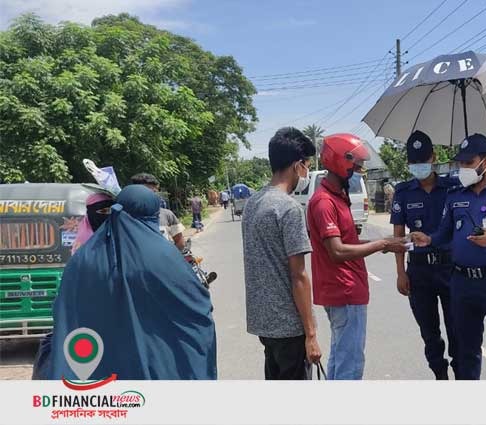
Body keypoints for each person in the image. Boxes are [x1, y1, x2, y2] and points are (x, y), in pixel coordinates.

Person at [43, 185, 216, 379]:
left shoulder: (83, 257)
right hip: (159, 365)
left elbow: (64, 308)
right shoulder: (165, 256)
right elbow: (196, 306)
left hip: (102, 367)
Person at [411, 134, 486, 380]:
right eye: (461, 163)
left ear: (485, 162)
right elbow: (444, 233)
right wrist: (429, 239)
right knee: (467, 353)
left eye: (469, 163)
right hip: (462, 284)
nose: (463, 169)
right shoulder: (456, 196)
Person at [306, 133, 407, 380]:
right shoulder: (324, 202)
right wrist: (383, 242)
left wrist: (387, 244)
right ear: (342, 161)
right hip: (343, 291)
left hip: (348, 290)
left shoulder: (338, 198)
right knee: (349, 363)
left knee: (342, 357)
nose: (358, 171)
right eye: (356, 165)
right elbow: (338, 251)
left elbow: (348, 243)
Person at [242, 127, 321, 380]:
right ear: (298, 165)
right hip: (289, 326)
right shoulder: (288, 208)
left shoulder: (253, 203)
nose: (306, 172)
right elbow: (299, 276)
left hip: (264, 323)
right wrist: (311, 334)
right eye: (307, 165)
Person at [390, 131, 458, 380]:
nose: (418, 165)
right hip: (419, 272)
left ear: (434, 157)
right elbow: (398, 235)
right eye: (413, 161)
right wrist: (400, 273)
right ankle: (440, 376)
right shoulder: (403, 192)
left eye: (423, 159)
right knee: (430, 333)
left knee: (458, 330)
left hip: (451, 269)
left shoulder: (453, 188)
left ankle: (461, 376)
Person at [130, 173, 185, 251]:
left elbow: (180, 243)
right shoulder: (125, 218)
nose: (151, 196)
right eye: (146, 193)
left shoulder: (167, 214)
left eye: (154, 192)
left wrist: (169, 258)